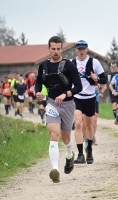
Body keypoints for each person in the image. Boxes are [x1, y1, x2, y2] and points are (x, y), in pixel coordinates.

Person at [35, 36, 82, 183]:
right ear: (48, 49)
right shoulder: (44, 66)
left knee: (66, 138)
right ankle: (55, 170)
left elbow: (78, 87)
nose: (55, 51)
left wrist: (65, 94)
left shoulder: (69, 65)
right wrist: (38, 92)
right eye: (53, 49)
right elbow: (38, 82)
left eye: (58, 49)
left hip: (68, 105)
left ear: (62, 49)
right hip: (51, 104)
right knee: (54, 135)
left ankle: (69, 156)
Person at [72, 40, 107, 165]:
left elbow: (104, 78)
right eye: (79, 49)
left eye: (83, 49)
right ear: (76, 50)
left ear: (87, 49)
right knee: (78, 124)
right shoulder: (72, 63)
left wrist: (96, 78)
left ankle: (90, 151)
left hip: (90, 97)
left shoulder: (94, 62)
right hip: (77, 97)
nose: (81, 51)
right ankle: (80, 154)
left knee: (89, 125)